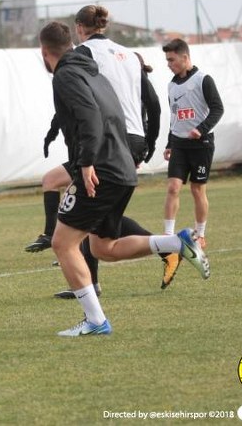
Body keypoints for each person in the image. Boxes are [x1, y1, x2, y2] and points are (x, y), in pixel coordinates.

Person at [38, 21, 209, 336]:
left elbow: (89, 115)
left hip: (101, 167)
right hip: (121, 166)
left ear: (43, 51)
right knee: (104, 247)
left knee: (63, 243)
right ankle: (176, 242)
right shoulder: (92, 71)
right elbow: (116, 114)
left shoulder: (66, 74)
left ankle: (96, 321)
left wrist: (87, 162)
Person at [25, 5, 162, 299]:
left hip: (105, 144)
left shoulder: (81, 57)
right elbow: (152, 102)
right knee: (102, 240)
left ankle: (91, 297)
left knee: (70, 228)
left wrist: (85, 160)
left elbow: (87, 110)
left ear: (79, 28)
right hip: (129, 141)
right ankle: (168, 245)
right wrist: (149, 142)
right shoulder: (128, 55)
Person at [160, 39, 224, 288]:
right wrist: (168, 143)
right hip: (179, 144)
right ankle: (167, 236)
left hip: (201, 145)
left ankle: (201, 234)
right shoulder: (171, 85)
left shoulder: (203, 79)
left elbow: (218, 108)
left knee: (197, 189)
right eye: (167, 60)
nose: (169, 64)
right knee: (173, 187)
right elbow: (174, 116)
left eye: (171, 59)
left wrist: (202, 129)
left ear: (185, 58)